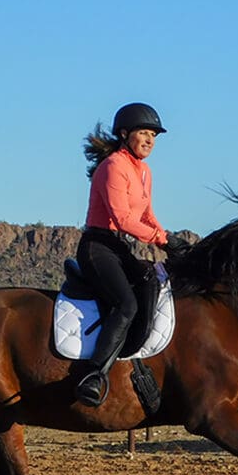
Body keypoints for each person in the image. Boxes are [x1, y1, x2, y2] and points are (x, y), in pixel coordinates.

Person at [74, 102, 187, 406]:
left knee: (151, 281)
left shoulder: (144, 171)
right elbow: (122, 218)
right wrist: (161, 239)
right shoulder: (113, 166)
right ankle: (93, 375)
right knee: (125, 304)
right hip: (98, 247)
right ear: (125, 134)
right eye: (144, 133)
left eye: (154, 135)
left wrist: (170, 241)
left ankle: (137, 363)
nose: (150, 140)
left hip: (118, 247)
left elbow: (147, 214)